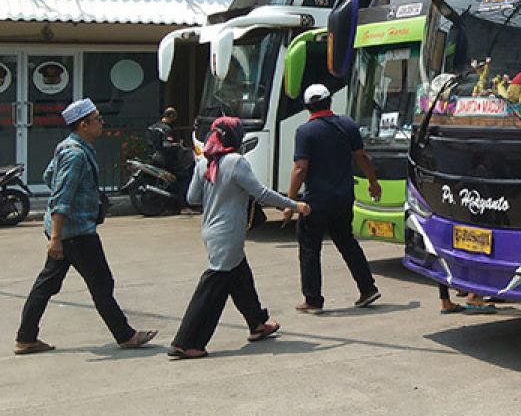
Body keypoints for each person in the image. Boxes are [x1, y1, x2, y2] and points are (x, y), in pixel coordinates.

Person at [14, 98, 157, 355]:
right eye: (98, 119)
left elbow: (49, 176)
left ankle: (26, 338)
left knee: (47, 284)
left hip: (68, 230)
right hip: (75, 232)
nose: (102, 123)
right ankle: (125, 335)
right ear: (83, 124)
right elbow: (61, 198)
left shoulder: (69, 147)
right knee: (101, 282)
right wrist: (56, 238)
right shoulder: (76, 155)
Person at [169, 117, 310, 359]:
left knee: (240, 276)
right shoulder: (236, 162)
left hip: (211, 230)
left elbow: (192, 197)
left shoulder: (205, 162)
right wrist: (294, 205)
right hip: (228, 233)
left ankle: (257, 323)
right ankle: (186, 341)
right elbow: (262, 193)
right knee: (213, 286)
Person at [284, 83, 382, 314]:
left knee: (309, 249)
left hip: (315, 202)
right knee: (347, 242)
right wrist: (373, 182)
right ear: (329, 101)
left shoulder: (305, 131)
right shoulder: (347, 124)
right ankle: (368, 288)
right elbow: (362, 156)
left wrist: (289, 203)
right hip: (343, 198)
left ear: (307, 107)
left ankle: (313, 300)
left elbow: (300, 168)